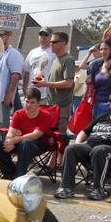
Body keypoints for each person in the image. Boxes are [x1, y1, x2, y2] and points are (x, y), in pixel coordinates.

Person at [54, 88, 111, 200]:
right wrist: (78, 143)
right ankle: (65, 188)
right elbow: (84, 131)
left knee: (98, 150)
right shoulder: (102, 117)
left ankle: (98, 189)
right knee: (71, 148)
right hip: (90, 147)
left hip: (109, 151)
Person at [32, 32, 76, 173]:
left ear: (63, 43)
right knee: (51, 134)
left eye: (54, 42)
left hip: (61, 104)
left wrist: (47, 83)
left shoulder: (67, 59)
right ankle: (54, 163)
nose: (51, 44)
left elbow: (69, 83)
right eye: (50, 42)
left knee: (59, 135)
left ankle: (53, 165)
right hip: (53, 105)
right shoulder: (56, 59)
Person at [0, 88, 54, 180]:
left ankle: (19, 175)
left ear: (38, 103)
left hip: (39, 142)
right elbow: (11, 132)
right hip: (22, 142)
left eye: (32, 102)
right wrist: (9, 142)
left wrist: (14, 140)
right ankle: (9, 173)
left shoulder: (45, 115)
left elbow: (35, 135)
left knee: (27, 142)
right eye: (27, 101)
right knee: (0, 144)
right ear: (23, 100)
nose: (28, 105)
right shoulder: (18, 113)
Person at [0, 28, 24, 127]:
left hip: (3, 96)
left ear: (7, 37)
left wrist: (9, 94)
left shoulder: (13, 54)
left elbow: (16, 75)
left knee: (2, 126)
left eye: (1, 36)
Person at [22, 27, 56, 105]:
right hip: (32, 93)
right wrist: (24, 88)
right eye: (41, 34)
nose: (42, 37)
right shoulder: (33, 52)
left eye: (46, 35)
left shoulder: (53, 53)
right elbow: (27, 72)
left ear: (51, 37)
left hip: (46, 94)